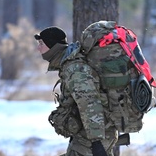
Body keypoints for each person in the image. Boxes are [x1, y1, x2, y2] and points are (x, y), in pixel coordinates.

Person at [34, 26, 118, 156]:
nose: (38, 48)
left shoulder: (74, 69)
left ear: (53, 46)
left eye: (41, 43)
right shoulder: (68, 64)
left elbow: (89, 103)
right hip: (90, 134)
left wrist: (96, 142)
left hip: (94, 137)